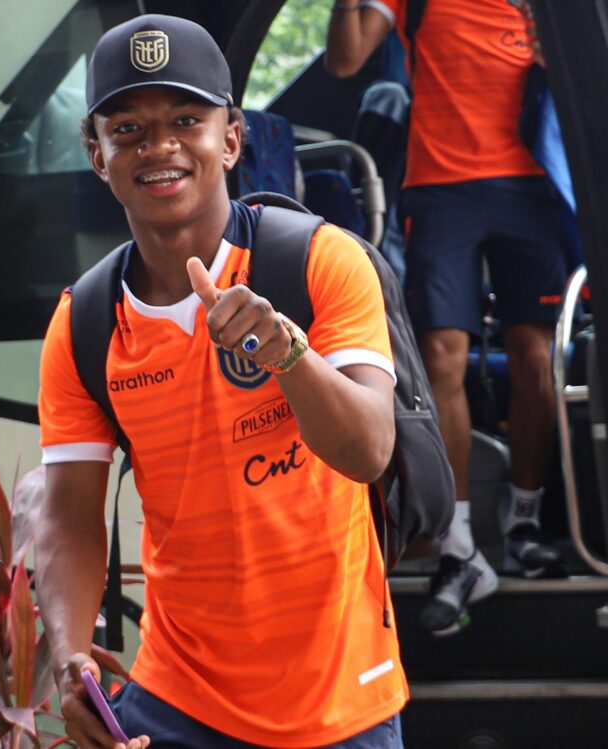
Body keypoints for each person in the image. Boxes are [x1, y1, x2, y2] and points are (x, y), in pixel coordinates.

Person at [35, 14, 408, 749]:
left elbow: (369, 450)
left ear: (231, 139)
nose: (159, 146)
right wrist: (70, 653)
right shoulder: (85, 323)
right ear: (97, 154)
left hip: (340, 703)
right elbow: (71, 514)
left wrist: (289, 356)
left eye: (186, 120)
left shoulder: (321, 262)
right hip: (178, 704)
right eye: (128, 129)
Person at [325, 0, 567, 638]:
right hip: (440, 189)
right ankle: (458, 548)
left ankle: (524, 523)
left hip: (531, 183)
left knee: (536, 358)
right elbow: (346, 58)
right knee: (439, 357)